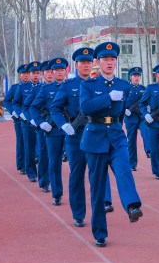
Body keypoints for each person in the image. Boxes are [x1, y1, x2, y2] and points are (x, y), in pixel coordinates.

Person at [79, 41, 143, 247]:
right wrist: (107, 98)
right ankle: (100, 232)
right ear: (98, 62)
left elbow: (120, 113)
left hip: (116, 136)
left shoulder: (123, 86)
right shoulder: (88, 85)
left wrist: (117, 127)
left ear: (116, 62)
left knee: (124, 169)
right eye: (105, 59)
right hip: (95, 137)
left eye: (112, 59)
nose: (109, 62)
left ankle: (132, 205)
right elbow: (85, 108)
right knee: (98, 190)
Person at [50, 48, 114, 225]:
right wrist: (63, 125)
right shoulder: (67, 86)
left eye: (88, 62)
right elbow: (55, 108)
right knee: (77, 175)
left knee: (98, 174)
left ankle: (101, 209)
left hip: (96, 135)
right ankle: (78, 214)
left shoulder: (100, 84)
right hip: (75, 136)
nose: (85, 65)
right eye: (82, 62)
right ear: (76, 65)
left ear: (93, 64)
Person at [30, 57, 68, 203]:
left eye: (62, 70)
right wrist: (40, 123)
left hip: (72, 129)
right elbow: (33, 107)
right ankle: (57, 193)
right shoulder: (46, 89)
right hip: (53, 131)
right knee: (54, 161)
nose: (59, 73)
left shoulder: (72, 86)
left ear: (65, 72)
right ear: (52, 72)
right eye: (56, 70)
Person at [138, 64, 159, 180]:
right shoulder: (150, 88)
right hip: (154, 121)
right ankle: (157, 171)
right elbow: (142, 104)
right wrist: (146, 114)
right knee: (154, 148)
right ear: (156, 75)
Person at [13, 61, 41, 182]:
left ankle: (43, 172)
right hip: (27, 123)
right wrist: (21, 115)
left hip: (40, 122)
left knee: (40, 149)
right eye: (33, 73)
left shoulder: (43, 87)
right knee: (28, 148)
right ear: (29, 74)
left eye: (37, 73)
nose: (35, 75)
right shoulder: (21, 87)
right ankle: (31, 172)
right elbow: (16, 103)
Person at [25, 60, 51, 192]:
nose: (50, 74)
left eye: (52, 71)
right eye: (47, 72)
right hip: (43, 125)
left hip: (58, 126)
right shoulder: (37, 90)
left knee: (55, 155)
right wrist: (35, 121)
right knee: (44, 153)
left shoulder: (61, 87)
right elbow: (27, 106)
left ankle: (53, 179)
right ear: (43, 74)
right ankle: (44, 181)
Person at [3, 63, 29, 174]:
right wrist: (13, 112)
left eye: (28, 73)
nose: (26, 75)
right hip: (19, 119)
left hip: (33, 119)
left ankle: (32, 163)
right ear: (20, 75)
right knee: (21, 142)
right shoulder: (15, 88)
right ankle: (21, 165)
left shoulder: (37, 87)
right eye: (24, 73)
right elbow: (7, 101)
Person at [123, 66, 147, 171]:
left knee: (146, 132)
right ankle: (132, 164)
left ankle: (149, 150)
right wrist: (124, 109)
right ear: (131, 77)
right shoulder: (127, 88)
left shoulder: (143, 89)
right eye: (134, 76)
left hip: (141, 117)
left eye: (138, 76)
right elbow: (122, 101)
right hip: (130, 117)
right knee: (131, 141)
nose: (136, 78)